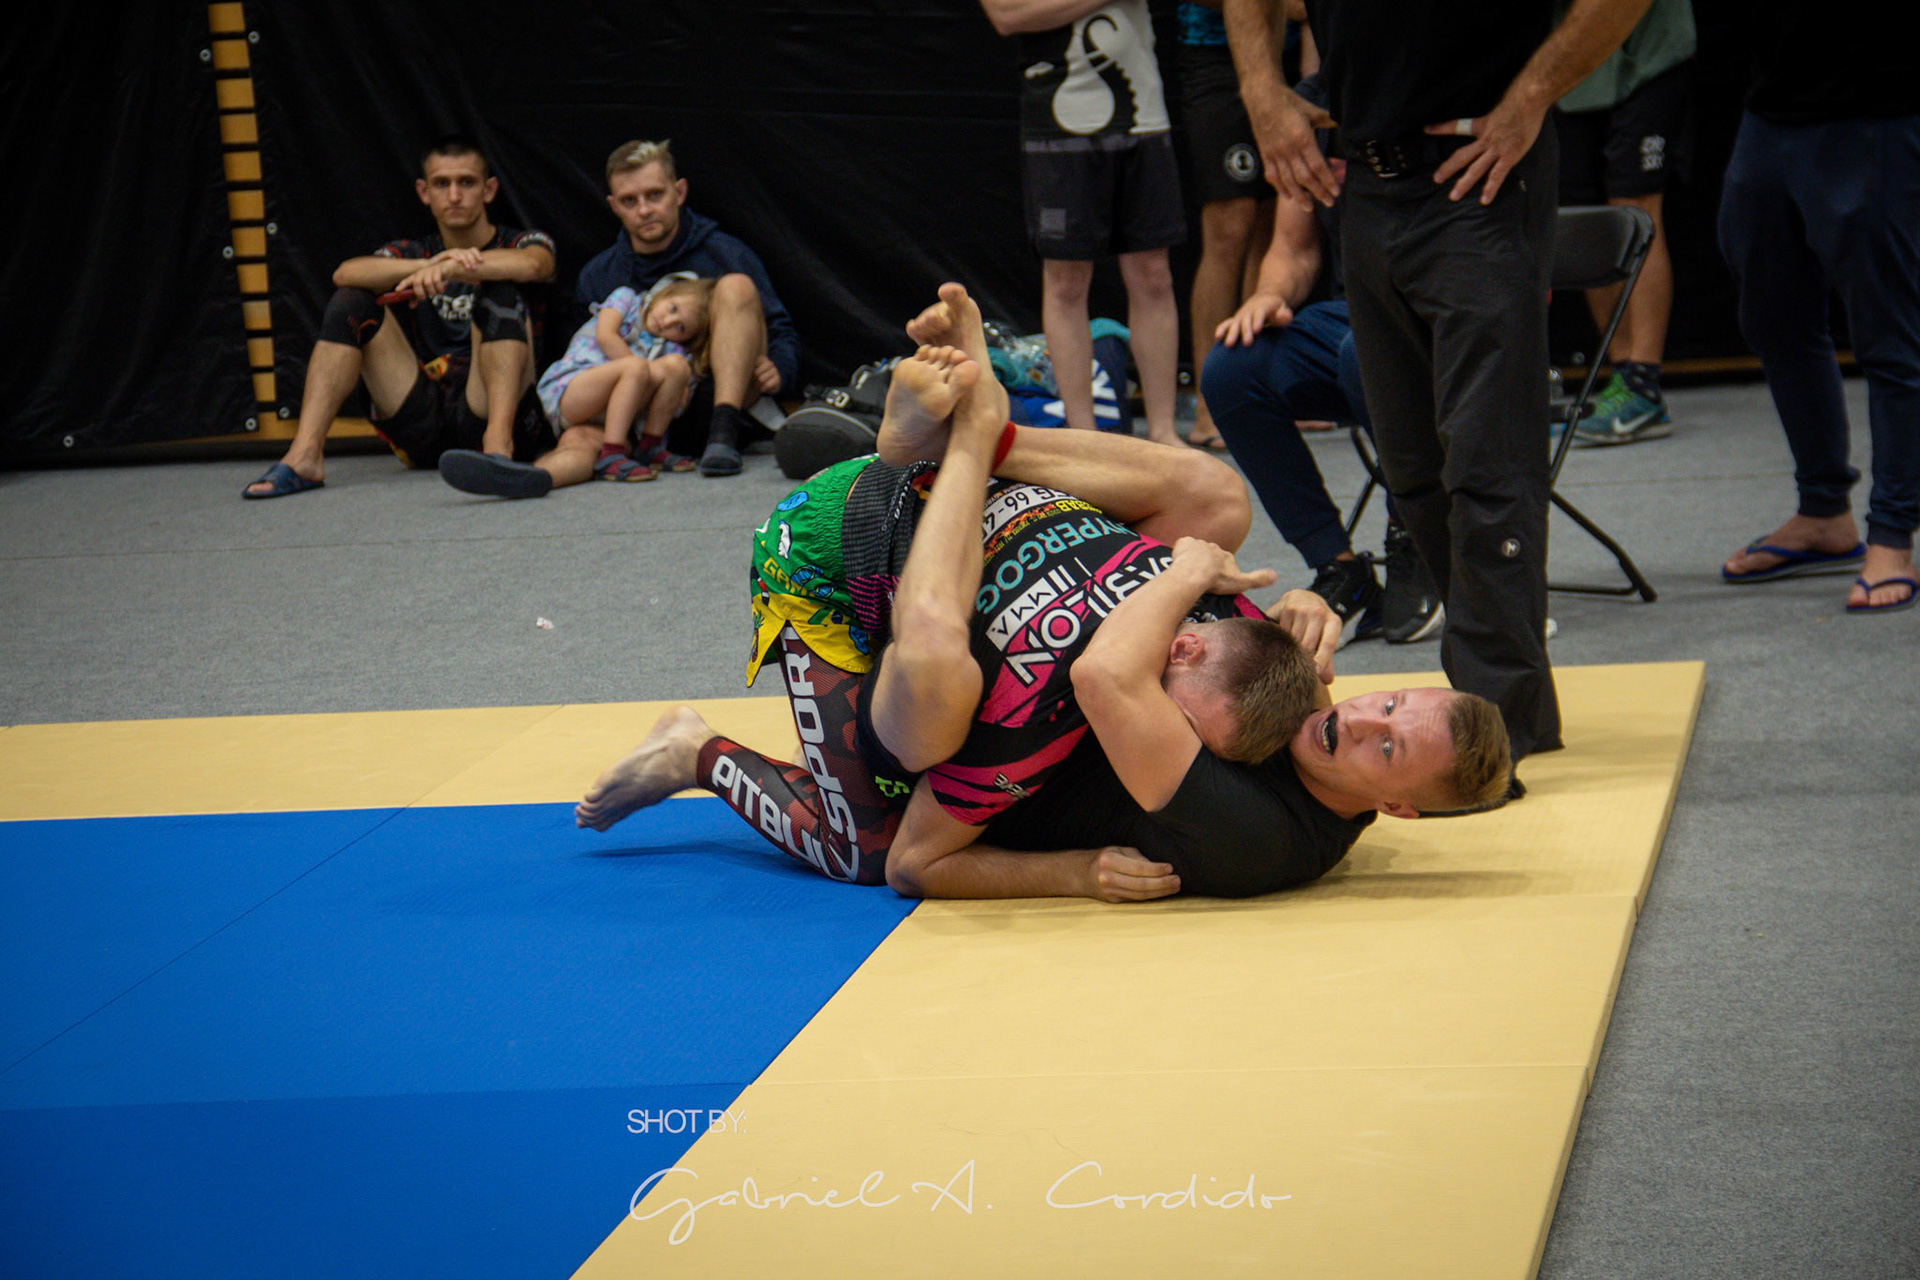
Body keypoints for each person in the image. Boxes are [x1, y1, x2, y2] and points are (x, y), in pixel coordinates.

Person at [577, 285, 1511, 902]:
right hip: (901, 538)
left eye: (1388, 745)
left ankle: (698, 748)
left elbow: (1111, 684)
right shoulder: (1245, 666)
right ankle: (978, 434)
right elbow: (1114, 678)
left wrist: (1070, 869)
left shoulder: (1252, 821)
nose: (1363, 717)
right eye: (1391, 704)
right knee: (1217, 501)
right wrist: (1278, 597)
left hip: (898, 571)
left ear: (1397, 808)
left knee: (936, 694)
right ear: (1191, 636)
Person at [1223, 0, 1656, 775]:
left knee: (1487, 468)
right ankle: (1511, 709)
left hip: (1479, 172)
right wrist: (1261, 90)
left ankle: (1493, 732)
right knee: (1414, 472)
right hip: (1366, 180)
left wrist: (1530, 99)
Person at [1201, 74, 1444, 647]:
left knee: (1369, 351)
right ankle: (1340, 568)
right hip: (1355, 315)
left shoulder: (1439, 81)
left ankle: (1418, 535)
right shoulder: (1311, 105)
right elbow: (1293, 246)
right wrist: (1268, 295)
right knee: (1231, 368)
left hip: (1449, 311)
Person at [1715, 1, 1919, 614]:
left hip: (1878, 107)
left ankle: (1892, 536)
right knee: (1773, 320)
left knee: (1891, 334)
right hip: (1771, 107)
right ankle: (1824, 512)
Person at [241, 134, 560, 499]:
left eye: (466, 182)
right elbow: (346, 273)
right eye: (442, 184)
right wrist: (427, 265)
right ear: (424, 192)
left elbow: (534, 265)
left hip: (489, 411)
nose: (454, 195)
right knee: (351, 302)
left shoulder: (521, 241)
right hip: (423, 419)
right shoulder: (415, 252)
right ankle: (304, 457)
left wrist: (453, 268)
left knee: (500, 291)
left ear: (489, 190)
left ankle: (498, 454)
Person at [978, 0, 1186, 446]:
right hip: (1059, 119)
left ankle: (1164, 431)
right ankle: (1084, 437)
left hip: (1143, 114)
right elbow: (1007, 14)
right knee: (1067, 280)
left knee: (1153, 275)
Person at [570, 139, 800, 478]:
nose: (644, 210)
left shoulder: (725, 253)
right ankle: (534, 480)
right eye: (630, 201)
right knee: (576, 440)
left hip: (715, 403)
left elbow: (781, 331)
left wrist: (778, 367)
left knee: (736, 286)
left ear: (679, 192)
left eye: (655, 195)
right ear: (614, 206)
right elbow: (580, 357)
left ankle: (722, 437)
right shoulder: (598, 276)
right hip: (633, 414)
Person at [1554, 0, 1696, 446]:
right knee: (1589, 219)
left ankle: (1643, 381)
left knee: (1634, 207)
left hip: (1647, 55)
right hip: (1568, 64)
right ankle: (1620, 376)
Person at [1174, 0, 1277, 451]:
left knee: (1275, 221)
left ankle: (1262, 392)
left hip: (1286, 61)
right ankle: (1209, 404)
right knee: (1229, 227)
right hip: (1216, 56)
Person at [529, 279, 712, 483]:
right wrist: (644, 372)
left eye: (680, 328)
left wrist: (679, 387)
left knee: (678, 365)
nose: (668, 322)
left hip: (611, 417)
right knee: (635, 367)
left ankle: (650, 446)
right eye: (672, 308)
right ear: (665, 292)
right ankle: (612, 451)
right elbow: (605, 336)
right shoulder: (627, 299)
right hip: (573, 391)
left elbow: (677, 400)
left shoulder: (672, 349)